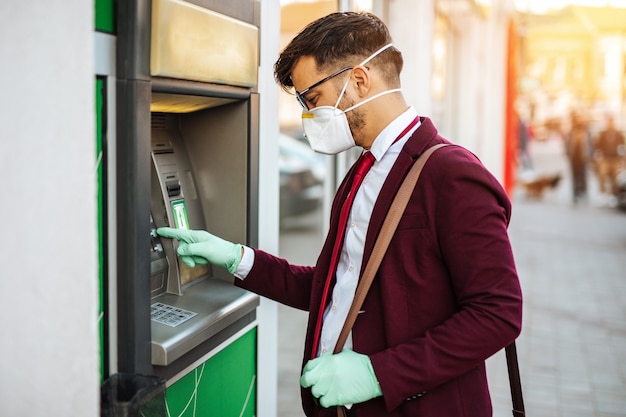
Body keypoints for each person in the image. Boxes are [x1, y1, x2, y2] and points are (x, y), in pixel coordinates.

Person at [158, 12, 522, 417]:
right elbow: (336, 285)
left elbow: (498, 313)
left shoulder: (452, 174)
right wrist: (236, 258)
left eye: (311, 98)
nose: (308, 115)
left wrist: (379, 374)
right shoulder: (363, 170)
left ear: (360, 79)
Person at [593, 113, 625, 202]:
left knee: (614, 178)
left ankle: (613, 194)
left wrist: (622, 156)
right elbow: (598, 145)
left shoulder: (618, 133)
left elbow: (622, 146)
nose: (610, 123)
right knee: (602, 175)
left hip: (615, 159)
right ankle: (603, 193)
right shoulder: (603, 134)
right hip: (605, 158)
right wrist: (598, 156)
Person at [565, 110, 590, 203]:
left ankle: (583, 192)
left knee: (583, 176)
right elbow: (568, 144)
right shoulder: (572, 130)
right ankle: (575, 194)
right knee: (575, 176)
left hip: (582, 157)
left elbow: (589, 144)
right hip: (574, 158)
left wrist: (589, 155)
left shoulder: (585, 130)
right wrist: (568, 153)